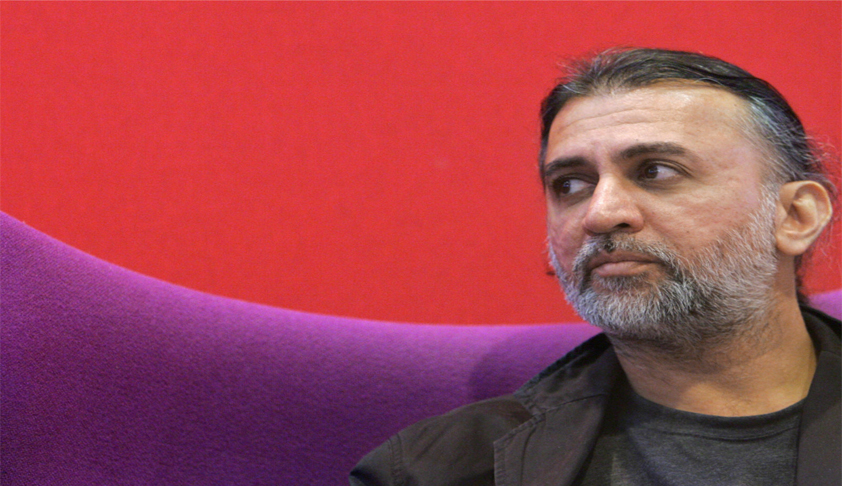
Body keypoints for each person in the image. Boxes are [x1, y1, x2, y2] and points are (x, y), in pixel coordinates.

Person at [349, 48, 839, 486]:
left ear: (795, 216)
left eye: (656, 171)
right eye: (571, 184)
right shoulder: (438, 471)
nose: (600, 214)